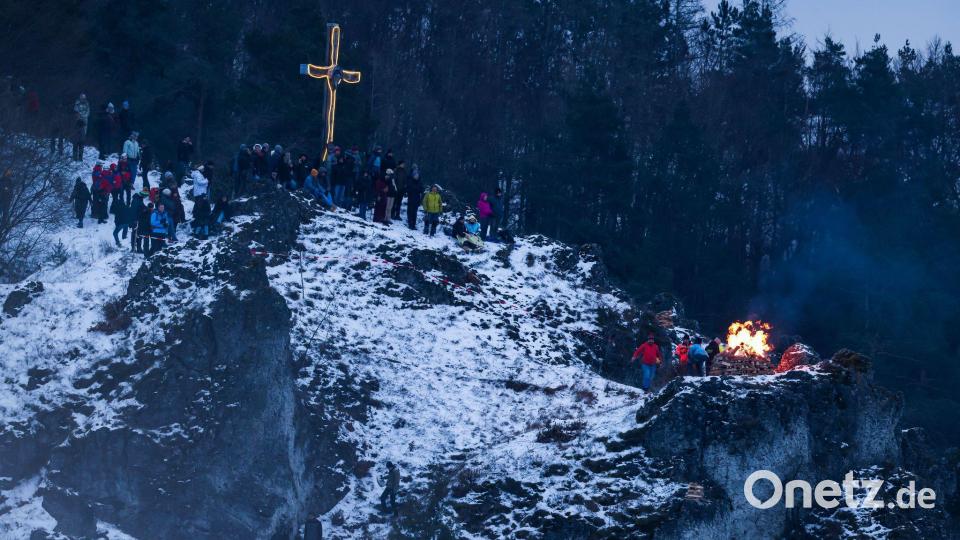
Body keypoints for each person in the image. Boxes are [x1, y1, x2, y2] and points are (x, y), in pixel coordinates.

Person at [404, 165, 423, 230]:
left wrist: (418, 190)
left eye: (417, 175)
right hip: (411, 198)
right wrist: (414, 189)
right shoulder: (410, 181)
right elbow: (408, 189)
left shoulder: (419, 182)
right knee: (410, 211)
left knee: (415, 212)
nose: (416, 176)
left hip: (417, 199)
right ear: (413, 175)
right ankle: (410, 224)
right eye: (415, 175)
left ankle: (413, 225)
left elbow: (421, 190)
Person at [72, 93, 90, 161]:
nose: (83, 99)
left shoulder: (87, 103)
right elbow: (76, 111)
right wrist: (79, 117)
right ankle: (75, 157)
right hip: (78, 121)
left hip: (84, 121)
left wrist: (84, 116)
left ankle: (80, 157)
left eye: (84, 98)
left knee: (82, 138)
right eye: (82, 98)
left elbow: (88, 112)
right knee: (76, 140)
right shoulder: (77, 103)